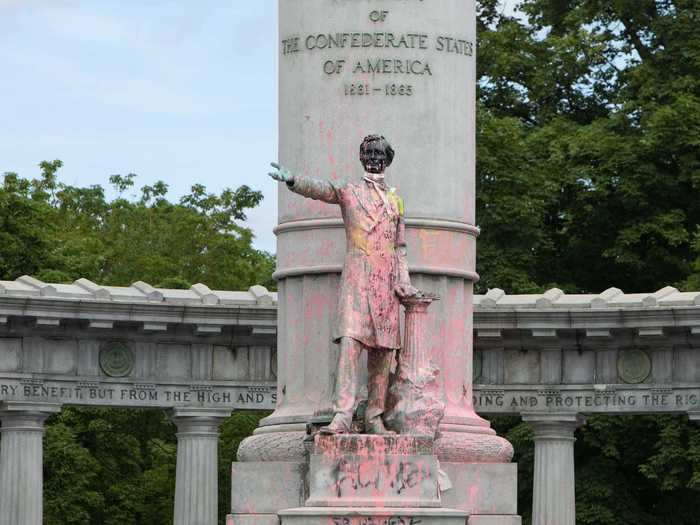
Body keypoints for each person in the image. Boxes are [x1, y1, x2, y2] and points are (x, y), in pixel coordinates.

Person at [269, 134, 417, 434]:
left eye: (379, 153)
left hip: (386, 286)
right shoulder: (350, 191)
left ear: (387, 160)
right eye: (369, 153)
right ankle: (343, 415)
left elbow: (400, 247)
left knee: (383, 354)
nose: (374, 158)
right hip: (357, 282)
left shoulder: (396, 200)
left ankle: (375, 416)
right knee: (350, 346)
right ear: (362, 158)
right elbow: (325, 190)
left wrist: (404, 281)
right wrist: (294, 180)